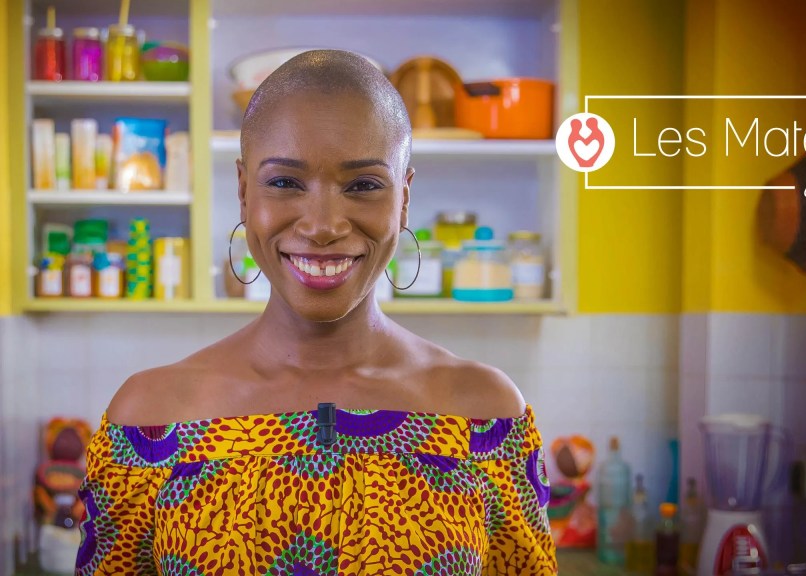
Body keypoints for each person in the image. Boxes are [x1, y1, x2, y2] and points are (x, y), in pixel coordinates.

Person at [75, 50, 556, 575]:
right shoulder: (149, 422)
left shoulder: (485, 418)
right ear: (244, 192)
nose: (323, 225)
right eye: (285, 183)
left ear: (403, 199)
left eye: (363, 185)